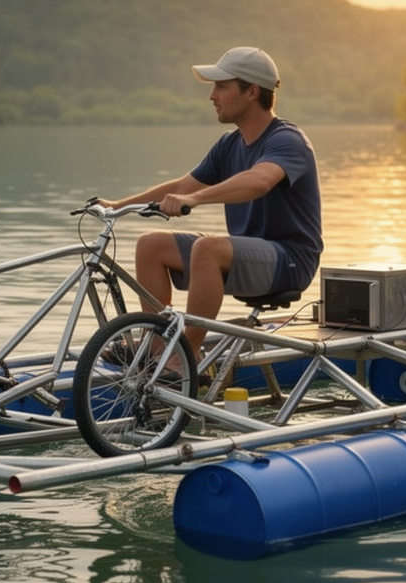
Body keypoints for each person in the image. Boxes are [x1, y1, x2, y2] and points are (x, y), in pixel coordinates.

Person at [100, 46, 322, 367]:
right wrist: (116, 205)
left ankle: (185, 360)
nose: (212, 96)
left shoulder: (287, 140)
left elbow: (259, 180)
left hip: (289, 260)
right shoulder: (228, 144)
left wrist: (195, 200)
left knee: (207, 248)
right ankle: (156, 350)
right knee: (150, 245)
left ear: (251, 92)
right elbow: (180, 187)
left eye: (221, 86)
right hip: (248, 254)